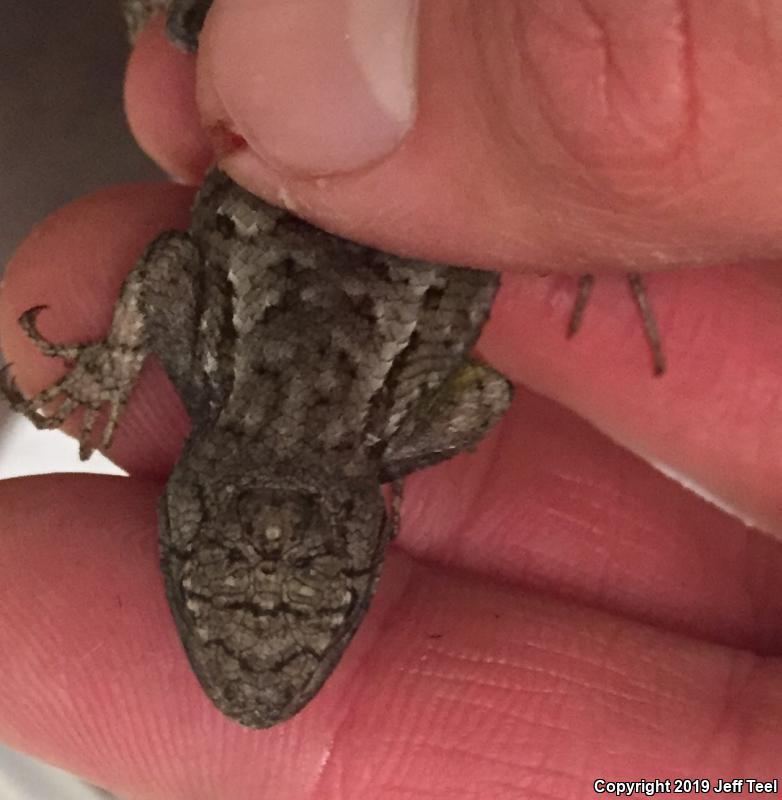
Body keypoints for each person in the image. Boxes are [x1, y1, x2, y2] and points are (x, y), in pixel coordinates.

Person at [1, 3, 781, 797]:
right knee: (201, 44)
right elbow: (167, 271)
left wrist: (392, 453)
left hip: (400, 136)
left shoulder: (376, 430)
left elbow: (484, 395)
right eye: (332, 601)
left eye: (200, 580)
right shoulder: (219, 379)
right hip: (346, 121)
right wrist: (115, 364)